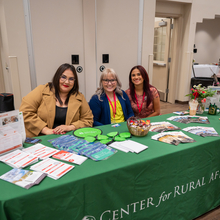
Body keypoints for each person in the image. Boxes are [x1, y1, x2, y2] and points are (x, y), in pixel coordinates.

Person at [19, 63, 93, 137]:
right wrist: (46, 130)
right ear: (57, 77)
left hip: (68, 139)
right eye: (63, 77)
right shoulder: (42, 90)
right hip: (40, 138)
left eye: (71, 79)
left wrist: (70, 127)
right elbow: (25, 112)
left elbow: (88, 120)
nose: (67, 82)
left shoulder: (79, 97)